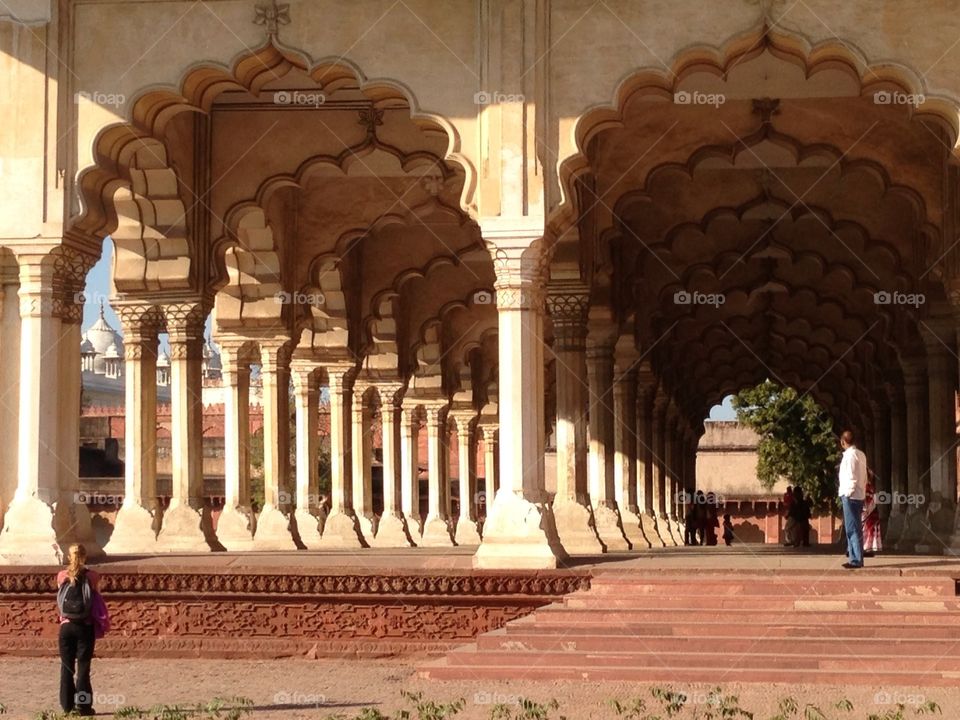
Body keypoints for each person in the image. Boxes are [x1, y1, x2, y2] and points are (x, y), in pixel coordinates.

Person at [57, 544, 100, 715]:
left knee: (66, 667)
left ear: (69, 557)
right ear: (85, 556)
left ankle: (67, 706)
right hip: (85, 626)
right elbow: (96, 598)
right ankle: (83, 706)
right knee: (83, 667)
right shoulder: (93, 576)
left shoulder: (61, 576)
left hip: (66, 627)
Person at [838, 430, 868, 569]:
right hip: (859, 494)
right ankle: (853, 556)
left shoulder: (850, 456)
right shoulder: (861, 454)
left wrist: (848, 493)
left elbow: (851, 476)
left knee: (852, 528)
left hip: (851, 495)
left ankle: (856, 559)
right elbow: (864, 476)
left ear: (843, 441)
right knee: (855, 527)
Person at [862, 470, 882, 557]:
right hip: (871, 512)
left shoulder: (867, 487)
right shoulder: (869, 487)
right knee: (868, 532)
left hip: (868, 513)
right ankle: (867, 549)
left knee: (867, 532)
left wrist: (865, 511)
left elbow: (868, 501)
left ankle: (866, 549)